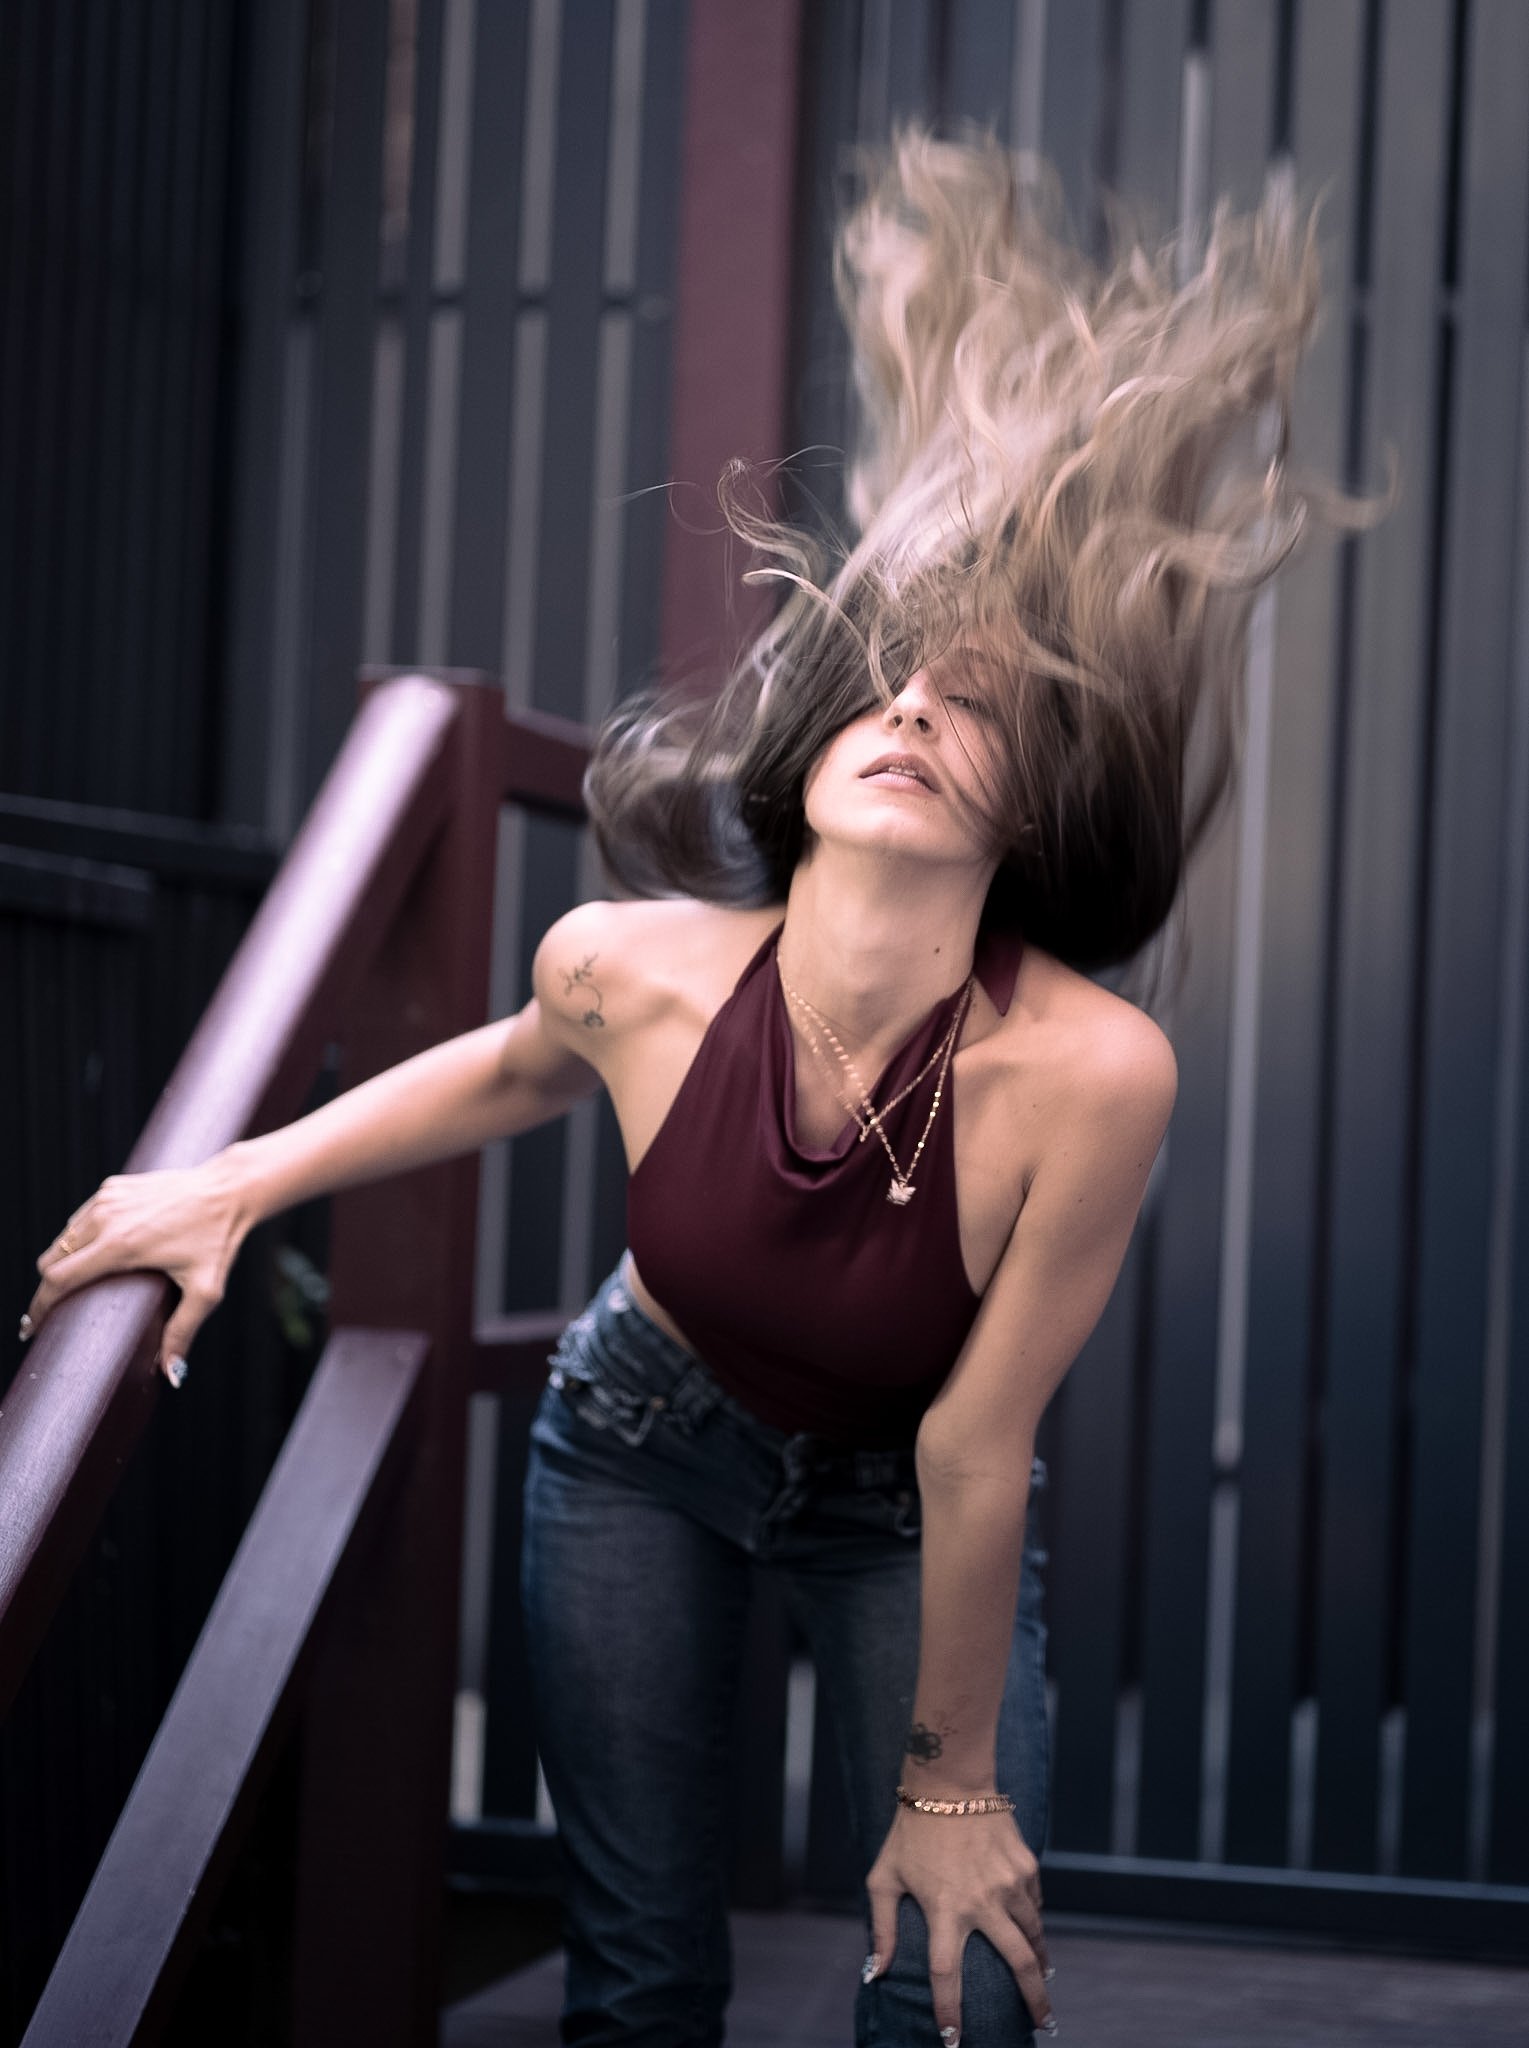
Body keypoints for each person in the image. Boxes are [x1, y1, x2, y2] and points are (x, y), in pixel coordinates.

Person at [21, 129, 1360, 2048]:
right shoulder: (634, 965)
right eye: (890, 683)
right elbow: (499, 1069)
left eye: (974, 698)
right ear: (817, 738)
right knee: (642, 1984)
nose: (912, 709)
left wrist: (951, 1790)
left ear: (1040, 798)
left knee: (956, 1983)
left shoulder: (1089, 1071)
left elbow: (978, 1449)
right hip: (638, 1444)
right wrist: (232, 1182)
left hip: (910, 1501)